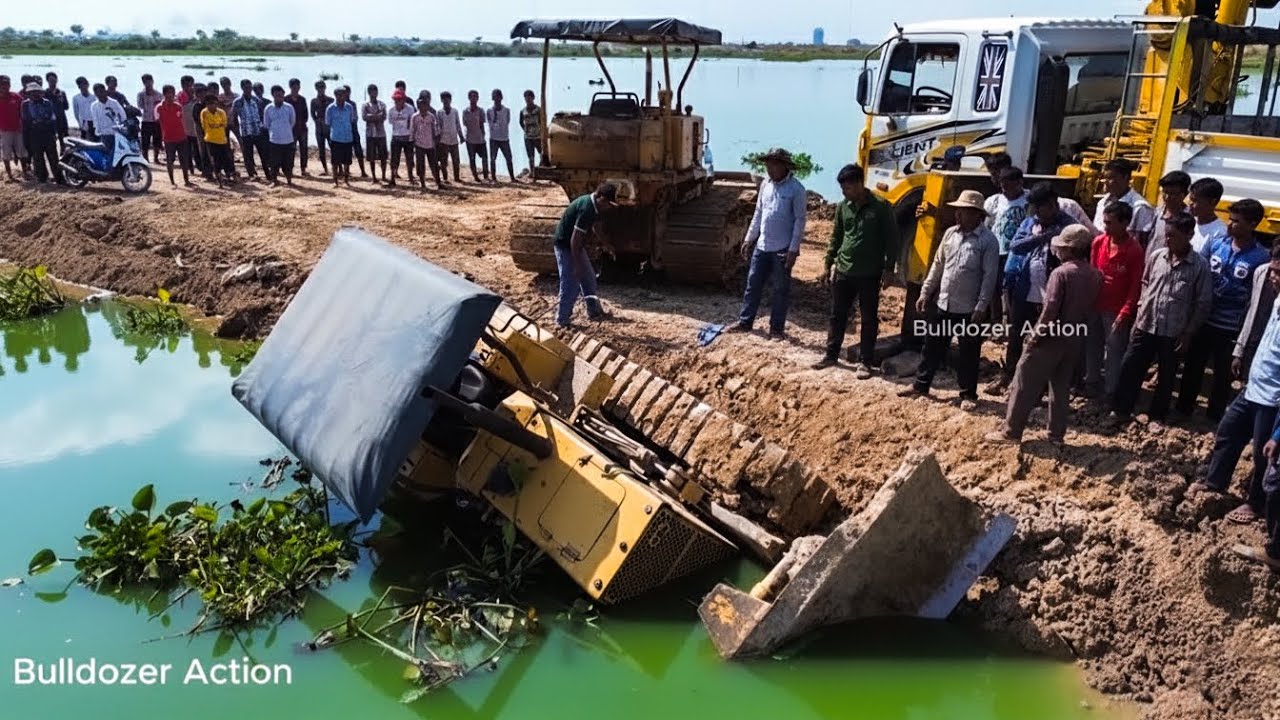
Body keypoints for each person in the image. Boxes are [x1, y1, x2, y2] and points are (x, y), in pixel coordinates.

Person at [1190, 244, 1280, 526]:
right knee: (1228, 431)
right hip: (1255, 384)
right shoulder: (1277, 298)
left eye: (1278, 273)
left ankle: (1257, 503)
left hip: (1274, 396)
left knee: (1263, 454)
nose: (1272, 277)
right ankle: (1215, 482)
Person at [986, 225, 1101, 445]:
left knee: (1024, 379)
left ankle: (1011, 432)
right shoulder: (1095, 274)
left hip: (1052, 336)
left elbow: (1050, 310)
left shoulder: (1061, 273)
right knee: (1060, 386)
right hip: (1075, 336)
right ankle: (1056, 435)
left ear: (1069, 249)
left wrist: (1035, 336)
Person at [900, 189, 1000, 409]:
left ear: (977, 215)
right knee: (932, 346)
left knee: (969, 352)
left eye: (963, 212)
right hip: (944, 303)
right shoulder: (950, 234)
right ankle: (921, 385)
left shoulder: (988, 242)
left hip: (969, 309)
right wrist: (926, 292)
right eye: (958, 212)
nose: (958, 216)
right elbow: (938, 265)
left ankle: (968, 395)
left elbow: (989, 277)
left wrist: (981, 307)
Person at [1110, 214, 1213, 422]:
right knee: (1130, 367)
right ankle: (1121, 410)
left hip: (1174, 331)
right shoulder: (1157, 256)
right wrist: (1140, 312)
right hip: (1146, 324)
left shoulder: (1199, 266)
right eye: (1166, 235)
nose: (1167, 240)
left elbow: (1203, 303)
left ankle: (1157, 416)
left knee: (1166, 377)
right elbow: (1146, 282)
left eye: (1173, 236)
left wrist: (1188, 332)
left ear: (1189, 235)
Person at [1177, 198, 1270, 421]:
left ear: (1253, 224)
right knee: (1193, 367)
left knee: (1222, 375)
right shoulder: (1216, 243)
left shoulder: (1260, 257)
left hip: (1230, 326)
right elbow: (1199, 276)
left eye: (1237, 221)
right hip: (1204, 319)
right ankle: (1183, 410)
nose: (1230, 225)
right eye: (1230, 219)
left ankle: (1214, 417)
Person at [812, 163, 898, 376]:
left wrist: (889, 269)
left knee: (869, 318)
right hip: (844, 271)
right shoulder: (843, 207)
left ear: (860, 183)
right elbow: (836, 237)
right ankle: (830, 355)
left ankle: (865, 362)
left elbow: (892, 240)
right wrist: (827, 264)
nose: (844, 192)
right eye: (842, 189)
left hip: (869, 274)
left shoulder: (880, 206)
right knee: (837, 315)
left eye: (848, 188)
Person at [989, 183, 1075, 395]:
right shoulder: (1030, 223)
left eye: (1041, 207)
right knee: (1017, 335)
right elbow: (1016, 246)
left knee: (1046, 340)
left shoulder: (1069, 227)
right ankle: (1010, 375)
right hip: (1025, 289)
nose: (1037, 212)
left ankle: (1039, 385)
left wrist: (1055, 235)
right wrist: (1045, 236)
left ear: (1053, 205)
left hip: (1053, 295)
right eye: (1034, 208)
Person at [725, 148, 807, 339]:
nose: (770, 169)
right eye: (768, 164)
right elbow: (758, 213)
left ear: (785, 166)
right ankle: (745, 321)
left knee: (780, 290)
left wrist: (793, 250)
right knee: (753, 284)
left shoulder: (797, 189)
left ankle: (776, 330)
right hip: (762, 245)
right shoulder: (765, 186)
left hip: (782, 248)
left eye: (775, 164)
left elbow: (800, 221)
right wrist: (748, 238)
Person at [1084, 202, 1145, 399]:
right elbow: (1092, 274)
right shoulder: (1099, 243)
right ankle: (1091, 383)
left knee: (1114, 352)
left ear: (1125, 223)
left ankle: (1111, 392)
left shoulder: (1134, 250)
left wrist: (1125, 312)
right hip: (1095, 305)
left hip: (1116, 310)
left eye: (1110, 223)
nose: (1105, 227)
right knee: (1092, 345)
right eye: (1104, 223)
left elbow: (1135, 285)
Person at [553, 183, 618, 328]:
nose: (608, 207)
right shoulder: (587, 209)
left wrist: (607, 244)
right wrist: (577, 266)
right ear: (600, 196)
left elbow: (596, 227)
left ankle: (593, 311)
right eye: (607, 203)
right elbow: (574, 240)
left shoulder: (596, 206)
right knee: (570, 284)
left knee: (588, 278)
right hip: (565, 246)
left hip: (576, 246)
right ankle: (561, 321)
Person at [985, 166, 1029, 328]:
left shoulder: (1029, 199)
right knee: (994, 287)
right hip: (997, 251)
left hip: (1020, 253)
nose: (1006, 191)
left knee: (1013, 289)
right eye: (1003, 187)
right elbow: (987, 225)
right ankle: (996, 322)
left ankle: (1013, 322)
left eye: (1010, 187)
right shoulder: (994, 201)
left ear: (1020, 183)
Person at [1234, 255, 1279, 382]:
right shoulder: (1262, 273)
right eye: (1272, 270)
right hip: (1255, 346)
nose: (1273, 277)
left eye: (1278, 272)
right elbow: (1252, 312)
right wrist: (1239, 350)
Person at [1094, 158, 1156, 245]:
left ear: (1125, 177)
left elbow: (1142, 242)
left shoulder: (1140, 207)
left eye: (1111, 178)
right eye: (1105, 178)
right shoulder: (1102, 203)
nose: (1106, 182)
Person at [19, 83, 64, 184]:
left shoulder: (47, 103)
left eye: (37, 92)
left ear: (40, 92)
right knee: (38, 158)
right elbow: (26, 119)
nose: (35, 94)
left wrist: (52, 130)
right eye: (32, 92)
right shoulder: (25, 104)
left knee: (53, 157)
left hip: (47, 133)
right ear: (29, 93)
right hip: (34, 134)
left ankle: (59, 179)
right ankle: (42, 179)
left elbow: (52, 117)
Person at [1147, 171, 1191, 258]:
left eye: (1172, 193)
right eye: (1165, 192)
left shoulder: (1189, 219)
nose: (1167, 197)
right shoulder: (1156, 213)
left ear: (1184, 194)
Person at [231, 79, 268, 180]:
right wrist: (238, 134)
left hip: (258, 131)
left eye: (250, 87)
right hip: (246, 132)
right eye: (246, 88)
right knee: (248, 155)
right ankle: (253, 175)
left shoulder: (256, 100)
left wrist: (263, 128)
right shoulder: (237, 102)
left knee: (263, 154)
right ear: (242, 88)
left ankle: (268, 174)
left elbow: (262, 115)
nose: (248, 90)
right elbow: (234, 118)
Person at [155, 84, 192, 186]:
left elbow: (181, 119)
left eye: (172, 93)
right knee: (170, 160)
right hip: (168, 138)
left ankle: (186, 180)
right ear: (164, 94)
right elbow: (157, 122)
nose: (171, 96)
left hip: (181, 137)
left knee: (184, 160)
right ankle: (172, 181)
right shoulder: (159, 108)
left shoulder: (178, 106)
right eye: (168, 93)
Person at [263, 85, 296, 186]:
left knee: (288, 163)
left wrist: (284, 130)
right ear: (273, 95)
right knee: (274, 163)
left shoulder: (289, 107)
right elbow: (266, 124)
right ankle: (274, 181)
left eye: (281, 95)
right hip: (274, 141)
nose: (279, 97)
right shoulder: (268, 108)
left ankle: (289, 181)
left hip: (288, 140)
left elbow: (292, 122)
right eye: (277, 95)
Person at [325, 86, 356, 187]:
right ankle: (335, 181)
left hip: (347, 138)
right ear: (335, 95)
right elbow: (328, 123)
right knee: (335, 161)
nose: (341, 96)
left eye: (343, 94)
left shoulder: (349, 107)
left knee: (347, 162)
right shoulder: (330, 108)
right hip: (336, 138)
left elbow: (352, 120)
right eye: (339, 94)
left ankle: (346, 181)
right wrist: (329, 138)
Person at [201, 93, 235, 186]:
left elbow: (224, 124)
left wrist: (214, 125)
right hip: (210, 140)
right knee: (215, 161)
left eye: (213, 103)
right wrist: (216, 125)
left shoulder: (221, 112)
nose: (211, 105)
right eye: (209, 103)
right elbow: (205, 126)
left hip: (222, 139)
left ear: (216, 103)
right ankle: (219, 180)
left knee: (226, 159)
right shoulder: (204, 113)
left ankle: (229, 176)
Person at [410, 97, 442, 191]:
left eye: (425, 104)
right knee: (420, 165)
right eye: (421, 104)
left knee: (434, 165)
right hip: (419, 144)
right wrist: (412, 141)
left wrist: (435, 141)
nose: (423, 106)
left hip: (430, 144)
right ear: (418, 106)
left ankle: (438, 182)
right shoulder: (415, 117)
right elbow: (412, 130)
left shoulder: (431, 117)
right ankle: (422, 183)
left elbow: (435, 130)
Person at [1188, 177, 1228, 252]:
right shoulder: (1187, 222)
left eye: (1195, 200)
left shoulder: (1219, 233)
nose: (1190, 203)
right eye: (1190, 199)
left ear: (1212, 202)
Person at [87, 82, 125, 156]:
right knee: (107, 154)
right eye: (97, 93)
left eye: (101, 92)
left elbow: (123, 116)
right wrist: (98, 133)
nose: (100, 94)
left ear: (105, 91)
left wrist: (121, 127)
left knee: (118, 154)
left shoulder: (114, 103)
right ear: (95, 94)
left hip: (116, 133)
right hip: (104, 134)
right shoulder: (94, 106)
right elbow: (96, 120)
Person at [387, 90, 415, 187]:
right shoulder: (391, 110)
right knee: (394, 159)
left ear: (404, 99)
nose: (397, 101)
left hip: (408, 137)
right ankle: (392, 178)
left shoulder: (410, 109)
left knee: (409, 159)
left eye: (400, 99)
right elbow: (391, 122)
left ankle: (411, 177)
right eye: (396, 99)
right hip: (396, 137)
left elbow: (412, 122)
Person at [0, 76, 25, 181]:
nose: (6, 86)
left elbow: (22, 111)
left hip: (18, 129)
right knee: (6, 153)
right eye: (3, 84)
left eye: (8, 84)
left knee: (22, 151)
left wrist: (22, 125)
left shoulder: (16, 96)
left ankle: (25, 172)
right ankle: (10, 175)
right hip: (5, 130)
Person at [488, 89, 515, 183]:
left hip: (504, 138)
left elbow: (507, 121)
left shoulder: (506, 110)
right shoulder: (489, 111)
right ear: (492, 98)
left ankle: (512, 178)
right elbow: (490, 123)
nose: (496, 99)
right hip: (493, 138)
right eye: (494, 96)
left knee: (509, 158)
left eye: (498, 96)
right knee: (492, 159)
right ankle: (493, 178)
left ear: (501, 97)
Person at [362, 84, 388, 183]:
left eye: (375, 91)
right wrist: (377, 116)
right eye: (371, 91)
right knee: (371, 157)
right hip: (370, 134)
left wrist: (372, 117)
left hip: (381, 133)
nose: (373, 93)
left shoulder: (382, 104)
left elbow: (384, 116)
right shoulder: (365, 105)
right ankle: (374, 177)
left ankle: (384, 176)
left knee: (383, 157)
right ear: (369, 92)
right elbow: (365, 117)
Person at [340, 85, 367, 179]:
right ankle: (344, 171)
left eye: (347, 92)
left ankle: (363, 171)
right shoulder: (339, 104)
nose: (346, 94)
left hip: (353, 129)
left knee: (358, 150)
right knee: (344, 151)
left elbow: (354, 118)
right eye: (344, 92)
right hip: (343, 131)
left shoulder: (352, 104)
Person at [462, 89, 489, 183]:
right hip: (470, 139)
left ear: (478, 98)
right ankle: (475, 176)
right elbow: (465, 124)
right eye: (472, 96)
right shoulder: (465, 111)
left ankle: (486, 176)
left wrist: (483, 134)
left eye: (475, 96)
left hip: (480, 139)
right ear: (469, 98)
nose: (473, 98)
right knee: (472, 159)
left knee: (485, 158)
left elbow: (482, 123)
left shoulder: (481, 111)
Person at [284, 79, 309, 176]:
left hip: (302, 128)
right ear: (290, 87)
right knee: (291, 150)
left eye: (298, 87)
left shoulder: (302, 99)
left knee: (304, 149)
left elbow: (306, 115)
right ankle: (290, 169)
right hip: (291, 130)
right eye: (294, 87)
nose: (296, 89)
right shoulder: (286, 99)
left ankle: (303, 169)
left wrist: (302, 122)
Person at [437, 91, 463, 183]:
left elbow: (458, 124)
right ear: (441, 100)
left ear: (450, 100)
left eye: (447, 99)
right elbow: (438, 126)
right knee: (444, 161)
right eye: (444, 100)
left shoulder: (455, 111)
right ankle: (445, 178)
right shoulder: (439, 112)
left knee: (456, 160)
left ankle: (456, 177)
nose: (446, 101)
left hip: (454, 139)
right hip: (444, 140)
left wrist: (461, 136)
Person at [136, 73, 163, 163]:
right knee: (145, 141)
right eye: (145, 82)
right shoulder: (141, 94)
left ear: (152, 81)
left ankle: (156, 158)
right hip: (146, 120)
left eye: (149, 81)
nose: (148, 84)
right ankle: (145, 158)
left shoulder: (158, 94)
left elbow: (161, 106)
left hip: (156, 120)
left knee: (157, 140)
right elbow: (140, 106)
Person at [311, 81, 332, 175]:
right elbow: (312, 113)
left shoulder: (331, 100)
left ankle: (339, 169)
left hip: (329, 127)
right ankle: (326, 170)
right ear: (316, 88)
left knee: (334, 148)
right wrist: (317, 121)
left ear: (325, 87)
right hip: (319, 127)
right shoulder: (314, 101)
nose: (321, 89)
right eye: (319, 87)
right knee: (321, 149)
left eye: (322, 87)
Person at [519, 89, 542, 177]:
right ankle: (532, 172)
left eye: (529, 98)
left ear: (533, 98)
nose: (528, 100)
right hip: (528, 137)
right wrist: (525, 129)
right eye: (526, 98)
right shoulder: (523, 111)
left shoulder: (538, 110)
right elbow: (521, 122)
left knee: (542, 154)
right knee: (531, 156)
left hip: (538, 136)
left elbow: (542, 121)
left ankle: (540, 171)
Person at [44, 72, 69, 152]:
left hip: (61, 118)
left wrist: (60, 101)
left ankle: (64, 153)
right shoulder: (45, 93)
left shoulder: (61, 93)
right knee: (51, 140)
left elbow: (66, 107)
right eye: (51, 80)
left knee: (65, 139)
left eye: (54, 80)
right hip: (50, 121)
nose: (53, 82)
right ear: (47, 81)